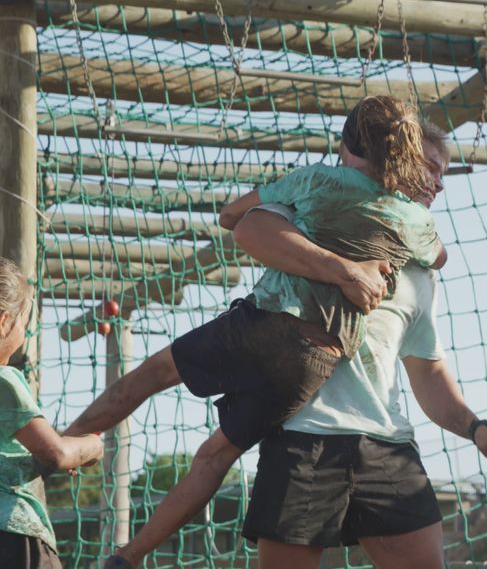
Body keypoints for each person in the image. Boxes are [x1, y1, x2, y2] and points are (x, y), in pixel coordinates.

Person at [82, 95, 451, 569]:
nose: (436, 182)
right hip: (311, 367)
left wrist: (296, 208)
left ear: (345, 146)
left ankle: (73, 463)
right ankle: (124, 553)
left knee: (164, 388)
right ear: (402, 158)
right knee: (214, 453)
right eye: (431, 168)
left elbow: (234, 217)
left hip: (268, 331)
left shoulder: (313, 183)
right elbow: (439, 254)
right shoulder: (415, 226)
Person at [230, 130, 487, 569]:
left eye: (444, 173)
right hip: (304, 439)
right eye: (431, 167)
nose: (439, 183)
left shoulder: (420, 272)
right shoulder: (315, 216)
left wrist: (476, 428)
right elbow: (247, 226)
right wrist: (343, 270)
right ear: (393, 161)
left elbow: (429, 374)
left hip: (387, 445)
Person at [0, 257, 103, 569]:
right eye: (24, 321)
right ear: (3, 320)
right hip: (14, 536)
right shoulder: (4, 380)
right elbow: (56, 452)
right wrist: (90, 447)